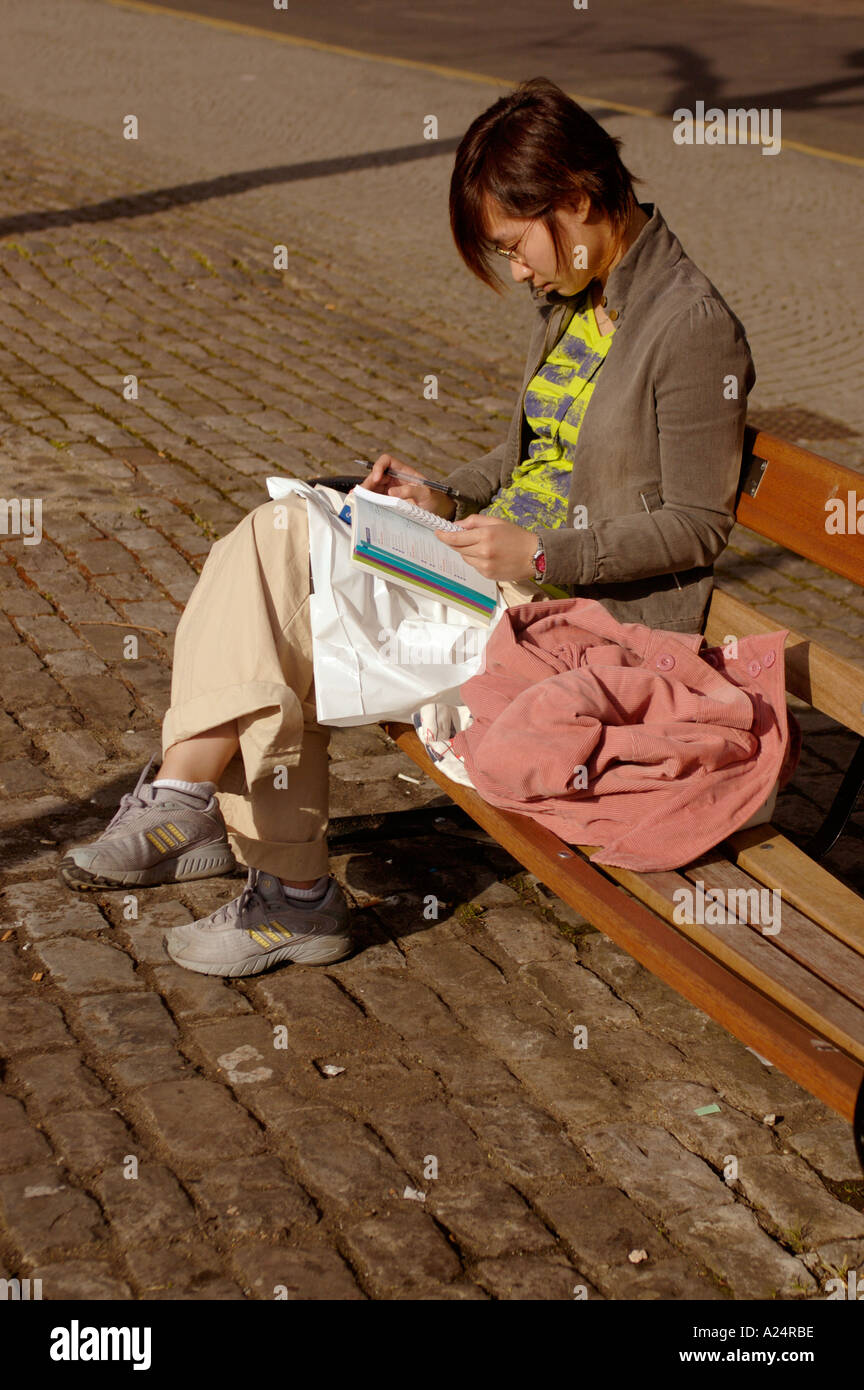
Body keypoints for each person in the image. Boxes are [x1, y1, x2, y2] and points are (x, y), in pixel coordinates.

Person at [60, 77, 755, 977]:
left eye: (513, 245)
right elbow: (533, 461)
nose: (516, 272)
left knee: (287, 589)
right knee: (288, 533)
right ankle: (249, 856)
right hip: (491, 568)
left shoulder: (691, 326)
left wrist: (546, 551)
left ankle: (229, 834)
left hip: (567, 620)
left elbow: (698, 528)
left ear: (576, 200)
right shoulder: (584, 301)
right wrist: (444, 497)